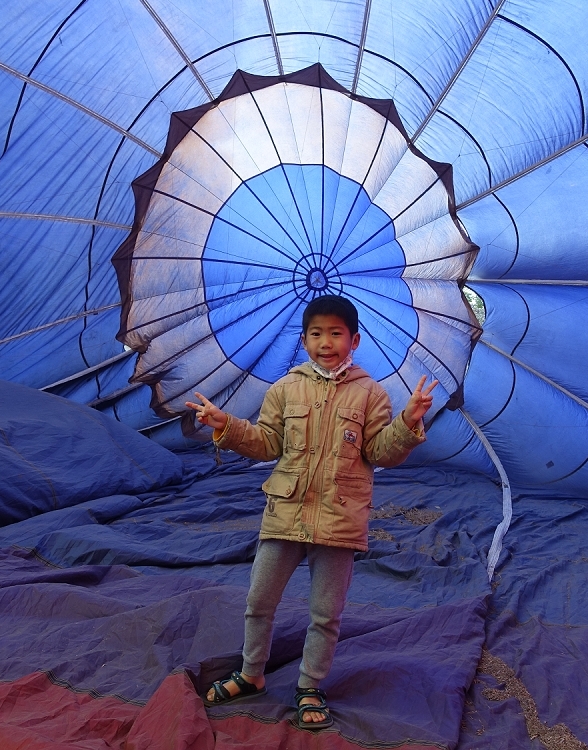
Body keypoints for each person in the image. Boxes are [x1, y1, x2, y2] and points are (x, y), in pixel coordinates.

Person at [185, 294, 436, 731]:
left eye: (336, 333)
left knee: (326, 614)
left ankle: (310, 686)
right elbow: (266, 443)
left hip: (340, 521)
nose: (326, 342)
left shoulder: (371, 394)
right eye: (317, 333)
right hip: (286, 514)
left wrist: (409, 422)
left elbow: (380, 452)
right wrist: (225, 425)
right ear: (304, 340)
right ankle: (251, 673)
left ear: (354, 340)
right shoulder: (284, 389)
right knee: (259, 601)